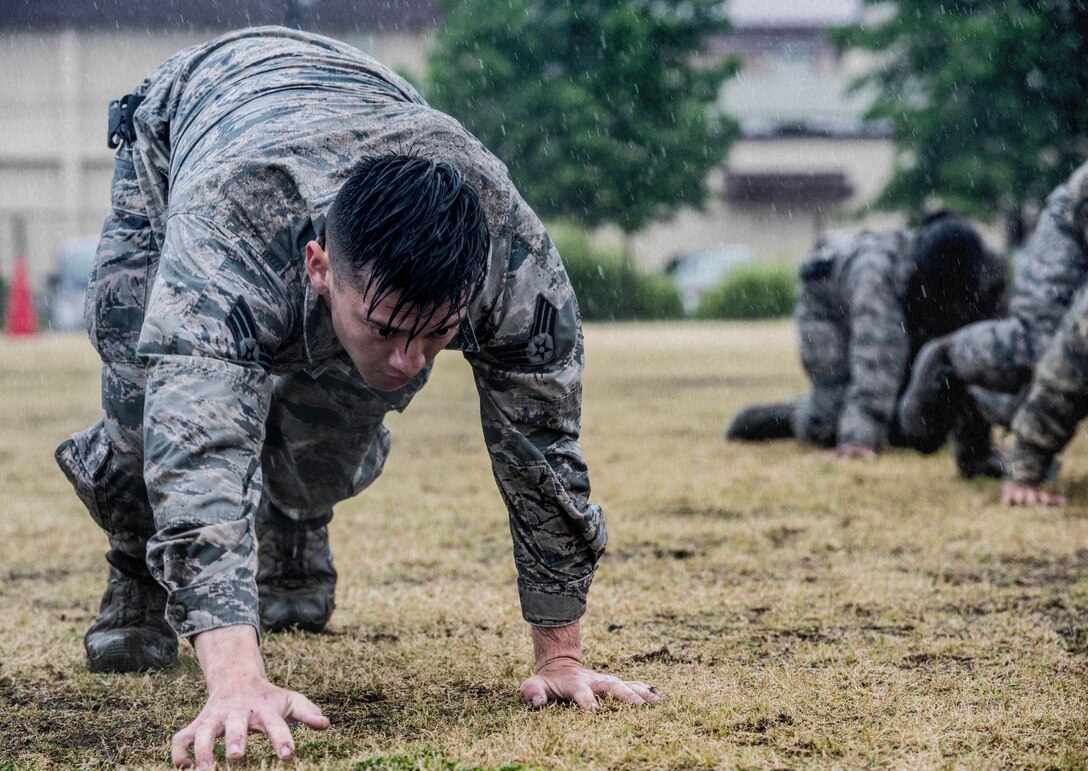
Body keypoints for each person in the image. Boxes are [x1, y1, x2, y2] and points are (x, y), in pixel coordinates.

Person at [55, 27, 659, 769]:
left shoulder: (514, 264)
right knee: (144, 415)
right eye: (387, 330)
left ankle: (297, 523)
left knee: (327, 441)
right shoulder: (228, 232)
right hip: (191, 129)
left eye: (434, 334)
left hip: (361, 115)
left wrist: (561, 655)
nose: (409, 362)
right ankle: (136, 569)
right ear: (318, 268)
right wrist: (239, 676)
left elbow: (544, 449)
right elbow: (197, 442)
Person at [727, 214, 1008, 476]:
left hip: (908, 314)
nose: (951, 308)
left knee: (904, 426)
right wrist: (859, 440)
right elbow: (878, 355)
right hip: (828, 311)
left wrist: (986, 442)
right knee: (830, 422)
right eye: (945, 301)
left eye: (957, 301)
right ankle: (789, 416)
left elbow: (988, 351)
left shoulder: (991, 272)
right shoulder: (879, 273)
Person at [898, 160, 1088, 505]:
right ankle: (951, 356)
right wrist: (1027, 465)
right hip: (1074, 219)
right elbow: (1078, 346)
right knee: (1042, 348)